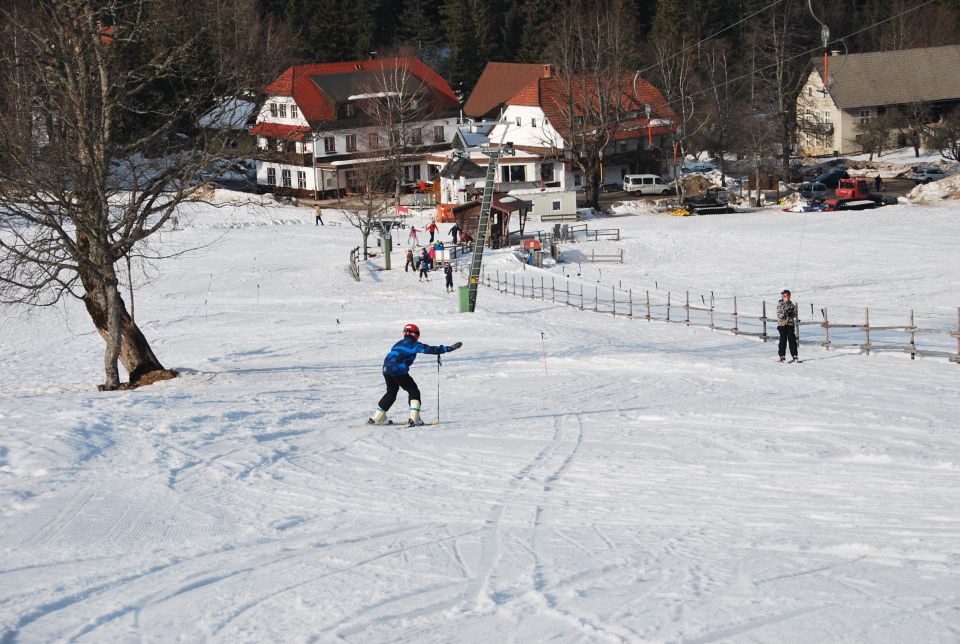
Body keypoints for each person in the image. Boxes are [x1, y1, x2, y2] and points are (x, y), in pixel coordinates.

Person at [368, 324, 462, 426]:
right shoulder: (413, 344)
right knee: (413, 391)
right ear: (416, 334)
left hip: (386, 369)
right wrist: (447, 349)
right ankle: (414, 418)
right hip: (398, 370)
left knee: (391, 393)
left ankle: (378, 417)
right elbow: (428, 349)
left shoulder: (398, 343)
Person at [777, 289, 799, 363]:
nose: (786, 297)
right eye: (785, 295)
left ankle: (794, 355)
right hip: (782, 324)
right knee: (783, 340)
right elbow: (779, 315)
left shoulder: (792, 305)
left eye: (788, 295)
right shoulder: (780, 304)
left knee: (792, 339)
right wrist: (786, 313)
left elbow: (795, 313)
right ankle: (782, 356)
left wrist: (791, 314)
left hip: (790, 324)